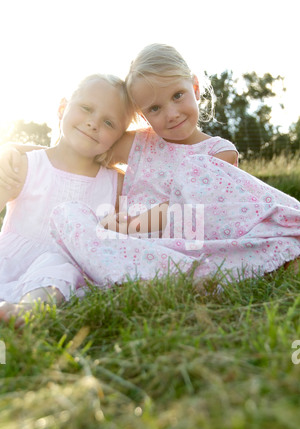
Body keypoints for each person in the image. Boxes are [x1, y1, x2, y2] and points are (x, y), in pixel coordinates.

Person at [1, 44, 299, 294]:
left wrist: (133, 224)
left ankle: (213, 271)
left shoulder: (218, 152)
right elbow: (74, 149)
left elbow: (194, 206)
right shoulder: (139, 144)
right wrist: (12, 151)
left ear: (195, 87)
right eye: (154, 109)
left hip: (189, 241)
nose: (171, 114)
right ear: (144, 116)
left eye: (178, 96)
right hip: (133, 247)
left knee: (207, 188)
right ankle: (163, 278)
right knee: (71, 217)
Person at [0, 73, 135, 326]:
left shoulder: (115, 184)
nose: (94, 123)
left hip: (58, 277)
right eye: (86, 108)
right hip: (8, 263)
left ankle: (27, 312)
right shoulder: (25, 164)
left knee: (60, 263)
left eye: (109, 123)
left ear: (119, 137)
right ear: (63, 107)